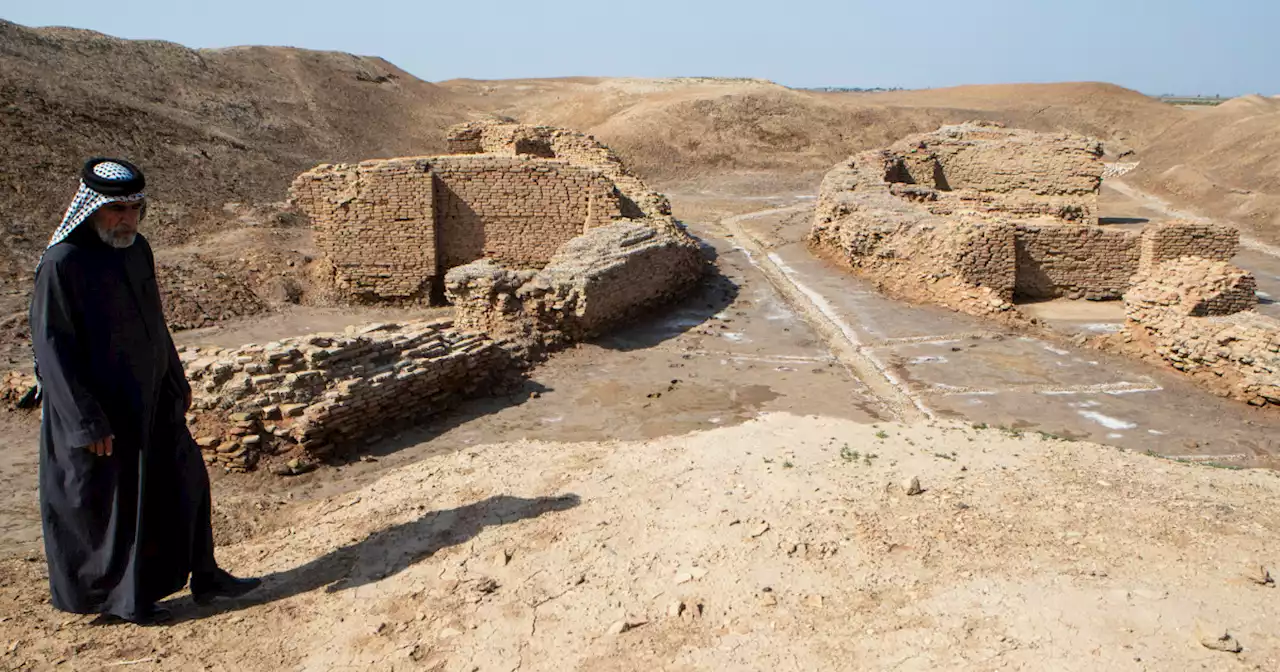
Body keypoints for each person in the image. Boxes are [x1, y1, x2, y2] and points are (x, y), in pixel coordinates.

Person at [29, 158, 260, 624]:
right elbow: (52, 349)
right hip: (103, 412)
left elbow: (155, 323)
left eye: (135, 208)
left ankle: (207, 574)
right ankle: (124, 601)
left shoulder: (137, 250)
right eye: (117, 210)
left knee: (185, 480)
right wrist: (86, 420)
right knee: (116, 509)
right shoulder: (63, 263)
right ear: (92, 208)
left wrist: (175, 378)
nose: (127, 219)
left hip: (153, 400)